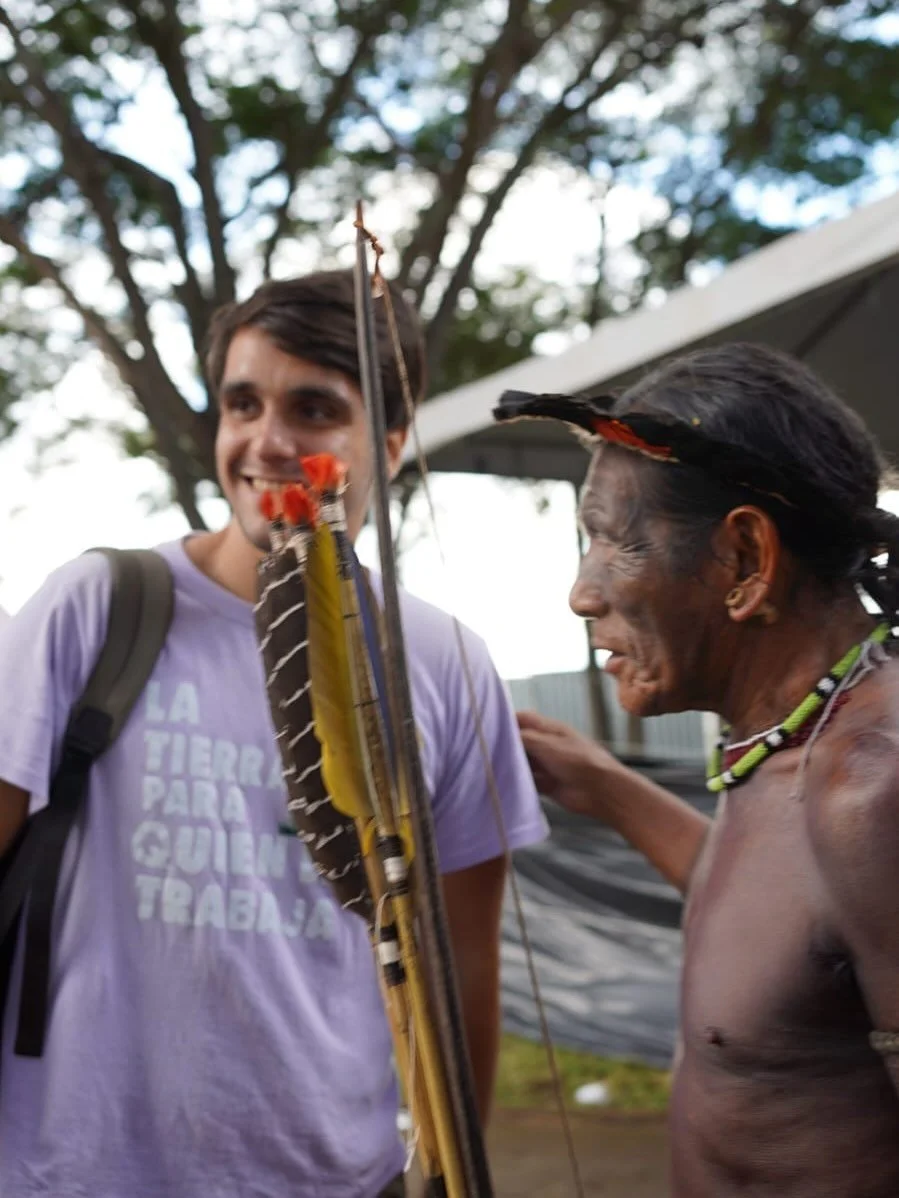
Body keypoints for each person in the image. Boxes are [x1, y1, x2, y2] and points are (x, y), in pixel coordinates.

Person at [0, 270, 548, 1197]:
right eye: (241, 402)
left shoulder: (446, 663)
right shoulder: (96, 608)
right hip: (70, 1171)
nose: (267, 441)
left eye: (313, 408)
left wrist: (448, 1177)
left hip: (330, 1176)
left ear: (389, 438)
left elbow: (462, 963)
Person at [507, 343, 899, 1198]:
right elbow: (788, 932)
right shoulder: (789, 740)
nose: (582, 592)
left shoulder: (870, 789)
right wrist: (612, 792)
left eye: (614, 543)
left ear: (744, 562)